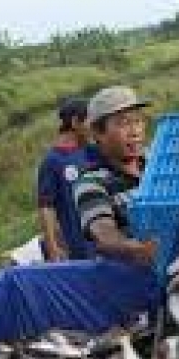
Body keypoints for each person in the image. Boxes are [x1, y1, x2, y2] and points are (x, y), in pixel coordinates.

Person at [73, 86, 156, 265]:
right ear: (97, 132)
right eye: (123, 123)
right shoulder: (92, 183)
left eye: (138, 120)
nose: (135, 131)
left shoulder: (157, 161)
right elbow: (103, 231)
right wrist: (131, 246)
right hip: (138, 274)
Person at [36, 98, 95, 261]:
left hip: (104, 241)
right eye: (91, 120)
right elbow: (46, 207)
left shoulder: (92, 151)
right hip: (80, 249)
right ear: (76, 122)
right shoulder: (53, 161)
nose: (95, 126)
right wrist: (52, 248)